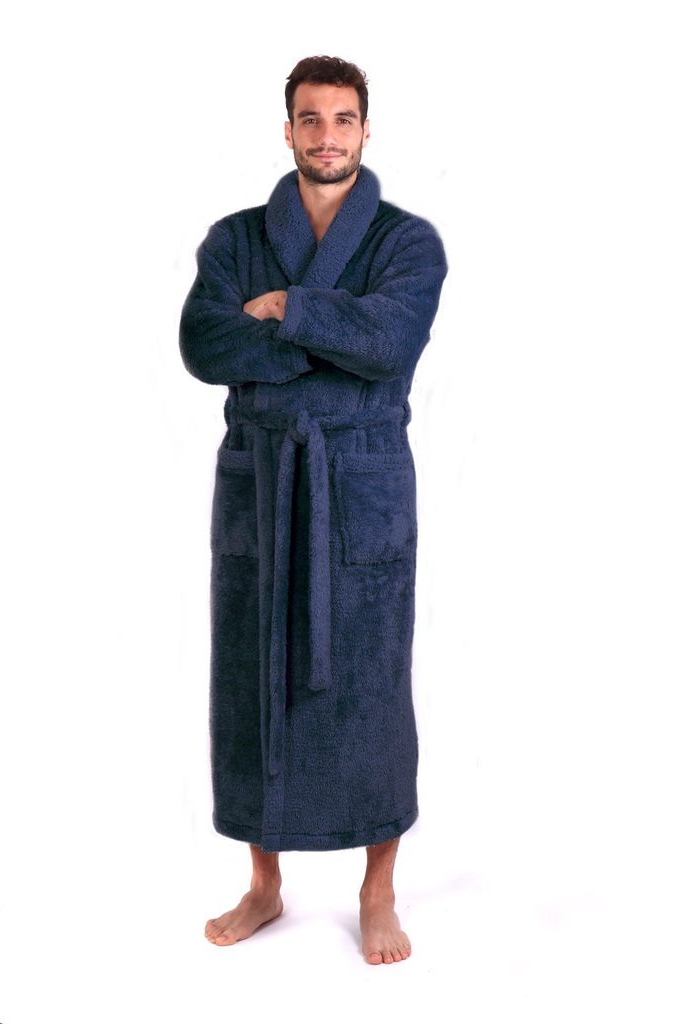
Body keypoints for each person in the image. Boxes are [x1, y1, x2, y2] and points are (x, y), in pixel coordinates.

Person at [179, 55, 448, 965]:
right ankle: (265, 883)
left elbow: (390, 343)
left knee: (371, 679)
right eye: (310, 118)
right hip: (262, 473)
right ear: (287, 129)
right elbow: (203, 343)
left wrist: (287, 308)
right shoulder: (232, 238)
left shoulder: (408, 243)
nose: (326, 136)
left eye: (341, 119)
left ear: (365, 130)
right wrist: (332, 334)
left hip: (359, 475)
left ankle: (378, 889)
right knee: (251, 670)